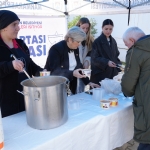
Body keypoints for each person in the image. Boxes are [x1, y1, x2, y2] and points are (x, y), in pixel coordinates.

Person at [0, 10, 43, 117]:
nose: (18, 28)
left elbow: (30, 64)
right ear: (3, 26)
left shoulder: (20, 44)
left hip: (26, 96)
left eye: (18, 24)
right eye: (14, 25)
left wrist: (41, 72)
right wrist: (10, 65)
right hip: (6, 102)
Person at [44, 26, 99, 94]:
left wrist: (88, 82)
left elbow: (79, 67)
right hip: (56, 87)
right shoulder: (56, 49)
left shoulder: (75, 48)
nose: (79, 45)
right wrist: (72, 73)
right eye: (78, 42)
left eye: (81, 42)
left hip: (70, 84)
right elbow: (55, 71)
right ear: (70, 39)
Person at [121, 27, 150, 150]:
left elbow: (128, 87)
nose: (127, 47)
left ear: (132, 40)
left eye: (126, 44)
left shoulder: (135, 51)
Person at [90, 19, 121, 85]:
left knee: (110, 94)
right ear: (102, 28)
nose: (108, 31)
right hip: (100, 74)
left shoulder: (113, 41)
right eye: (106, 29)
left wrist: (119, 65)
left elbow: (116, 55)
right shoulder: (97, 42)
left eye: (110, 29)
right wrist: (107, 62)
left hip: (112, 73)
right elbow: (94, 58)